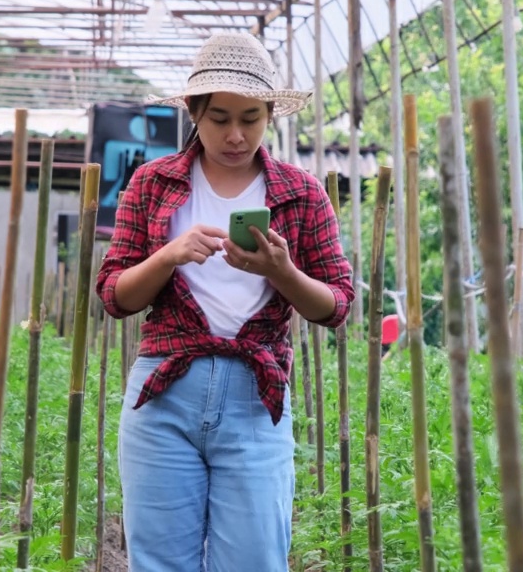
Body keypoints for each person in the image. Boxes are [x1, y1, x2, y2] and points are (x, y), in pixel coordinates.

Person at [96, 31, 354, 572]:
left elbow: (337, 304)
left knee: (256, 560)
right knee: (162, 562)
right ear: (193, 111)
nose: (236, 135)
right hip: (163, 393)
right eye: (219, 119)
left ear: (269, 116)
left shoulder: (301, 192)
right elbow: (114, 295)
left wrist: (282, 272)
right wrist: (168, 256)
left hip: (255, 399)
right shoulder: (151, 183)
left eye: (251, 118)